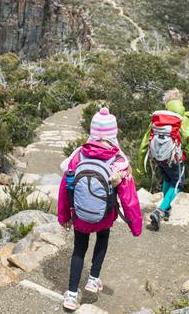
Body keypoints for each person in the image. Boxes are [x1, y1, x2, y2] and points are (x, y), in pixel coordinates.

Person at [58, 107, 142, 311]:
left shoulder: (78, 155)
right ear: (114, 133)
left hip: (80, 215)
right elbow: (129, 197)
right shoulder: (118, 161)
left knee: (79, 249)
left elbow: (65, 187)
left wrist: (64, 217)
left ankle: (70, 295)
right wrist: (135, 226)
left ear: (92, 132)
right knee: (102, 238)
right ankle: (93, 279)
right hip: (104, 215)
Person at [137, 88, 189, 231]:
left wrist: (140, 166)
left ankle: (166, 210)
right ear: (180, 102)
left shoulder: (159, 119)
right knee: (178, 184)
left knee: (167, 180)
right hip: (175, 159)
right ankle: (159, 211)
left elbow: (144, 142)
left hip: (159, 158)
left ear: (167, 103)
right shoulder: (183, 119)